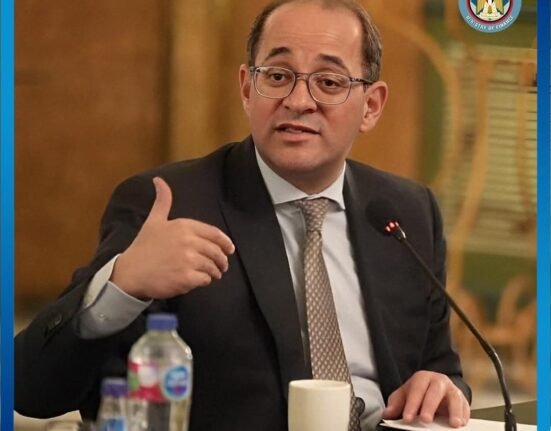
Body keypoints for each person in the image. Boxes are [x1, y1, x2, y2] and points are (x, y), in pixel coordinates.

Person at [15, 1, 471, 430]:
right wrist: (123, 285)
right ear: (247, 88)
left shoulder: (407, 212)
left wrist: (440, 387)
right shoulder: (170, 205)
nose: (299, 100)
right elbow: (31, 388)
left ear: (371, 106)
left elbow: (440, 371)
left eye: (329, 83)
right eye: (278, 75)